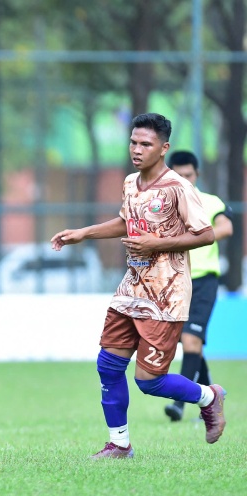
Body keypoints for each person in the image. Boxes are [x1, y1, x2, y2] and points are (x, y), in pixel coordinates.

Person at [50, 112, 226, 459]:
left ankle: (209, 397)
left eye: (145, 144)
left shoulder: (179, 187)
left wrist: (154, 244)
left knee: (148, 381)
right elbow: (126, 221)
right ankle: (119, 444)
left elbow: (205, 234)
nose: (137, 149)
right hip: (131, 288)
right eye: (133, 142)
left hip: (167, 294)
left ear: (163, 148)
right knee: (108, 364)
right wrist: (84, 233)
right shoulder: (131, 182)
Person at [162, 150, 233, 422]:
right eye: (178, 176)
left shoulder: (210, 202)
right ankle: (213, 395)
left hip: (203, 281)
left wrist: (193, 238)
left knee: (190, 340)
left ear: (197, 175)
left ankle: (179, 403)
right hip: (175, 281)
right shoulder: (165, 206)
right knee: (188, 342)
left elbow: (226, 228)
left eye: (188, 175)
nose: (184, 180)